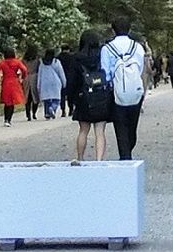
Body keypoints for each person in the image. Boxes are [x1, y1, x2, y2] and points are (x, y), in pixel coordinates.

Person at [101, 16, 150, 161]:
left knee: (120, 125)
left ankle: (125, 156)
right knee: (132, 125)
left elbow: (105, 72)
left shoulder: (107, 48)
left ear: (113, 30)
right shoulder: (137, 47)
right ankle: (128, 149)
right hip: (135, 89)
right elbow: (140, 68)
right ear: (129, 29)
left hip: (116, 91)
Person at [68, 27, 113, 161]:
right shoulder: (101, 56)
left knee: (83, 131)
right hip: (100, 97)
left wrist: (73, 99)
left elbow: (72, 81)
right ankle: (99, 160)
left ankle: (80, 158)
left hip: (84, 98)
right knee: (100, 132)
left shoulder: (76, 58)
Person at [0, 45, 28, 124]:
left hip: (6, 82)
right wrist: (22, 77)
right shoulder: (17, 62)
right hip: (14, 82)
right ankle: (9, 120)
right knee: (12, 102)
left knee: (7, 102)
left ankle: (6, 119)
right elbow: (24, 69)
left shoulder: (2, 62)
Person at [37, 47, 66, 120]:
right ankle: (52, 109)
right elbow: (61, 73)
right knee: (56, 99)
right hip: (55, 82)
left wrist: (38, 85)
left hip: (45, 82)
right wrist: (64, 82)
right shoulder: (56, 61)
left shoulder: (41, 62)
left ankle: (47, 113)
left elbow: (39, 74)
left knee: (47, 99)